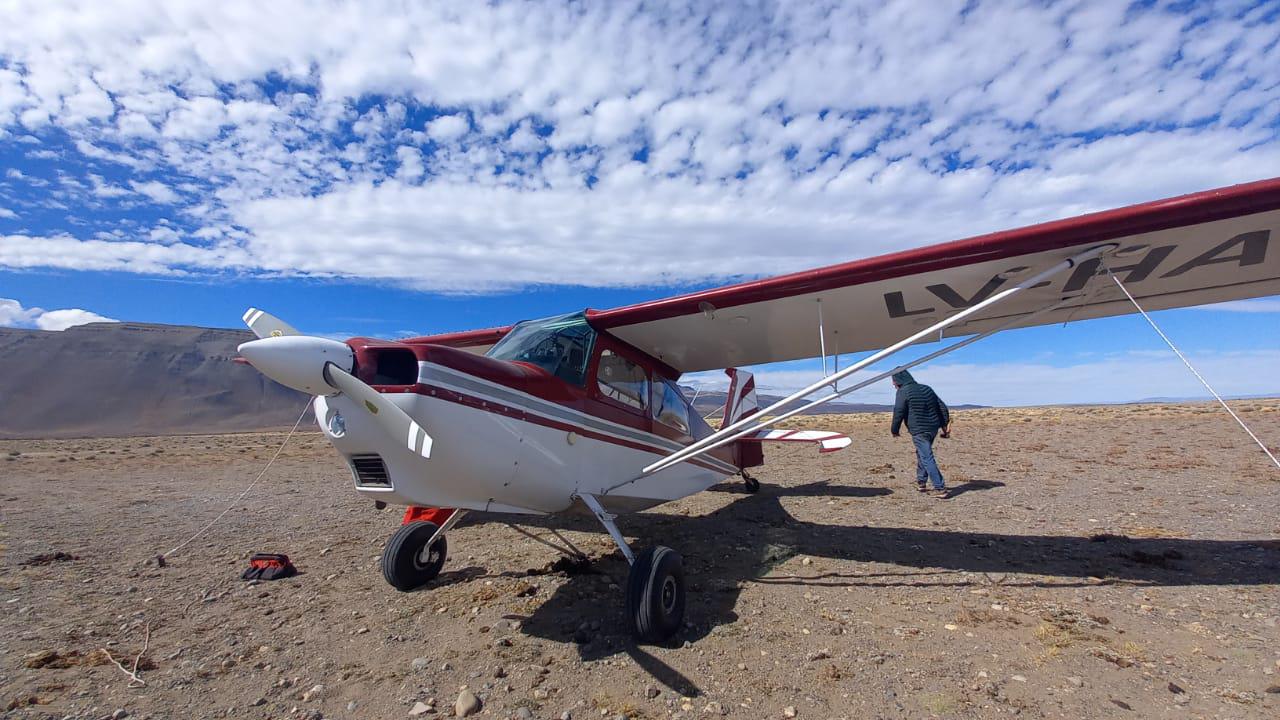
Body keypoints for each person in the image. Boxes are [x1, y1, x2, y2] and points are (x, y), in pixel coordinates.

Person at [890, 370, 951, 498]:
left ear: (899, 380)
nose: (893, 383)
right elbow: (942, 407)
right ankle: (921, 482)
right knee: (922, 453)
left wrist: (894, 430)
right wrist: (944, 426)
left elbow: (899, 411)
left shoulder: (903, 391)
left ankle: (940, 488)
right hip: (932, 428)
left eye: (894, 380)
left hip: (919, 429)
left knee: (926, 456)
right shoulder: (927, 389)